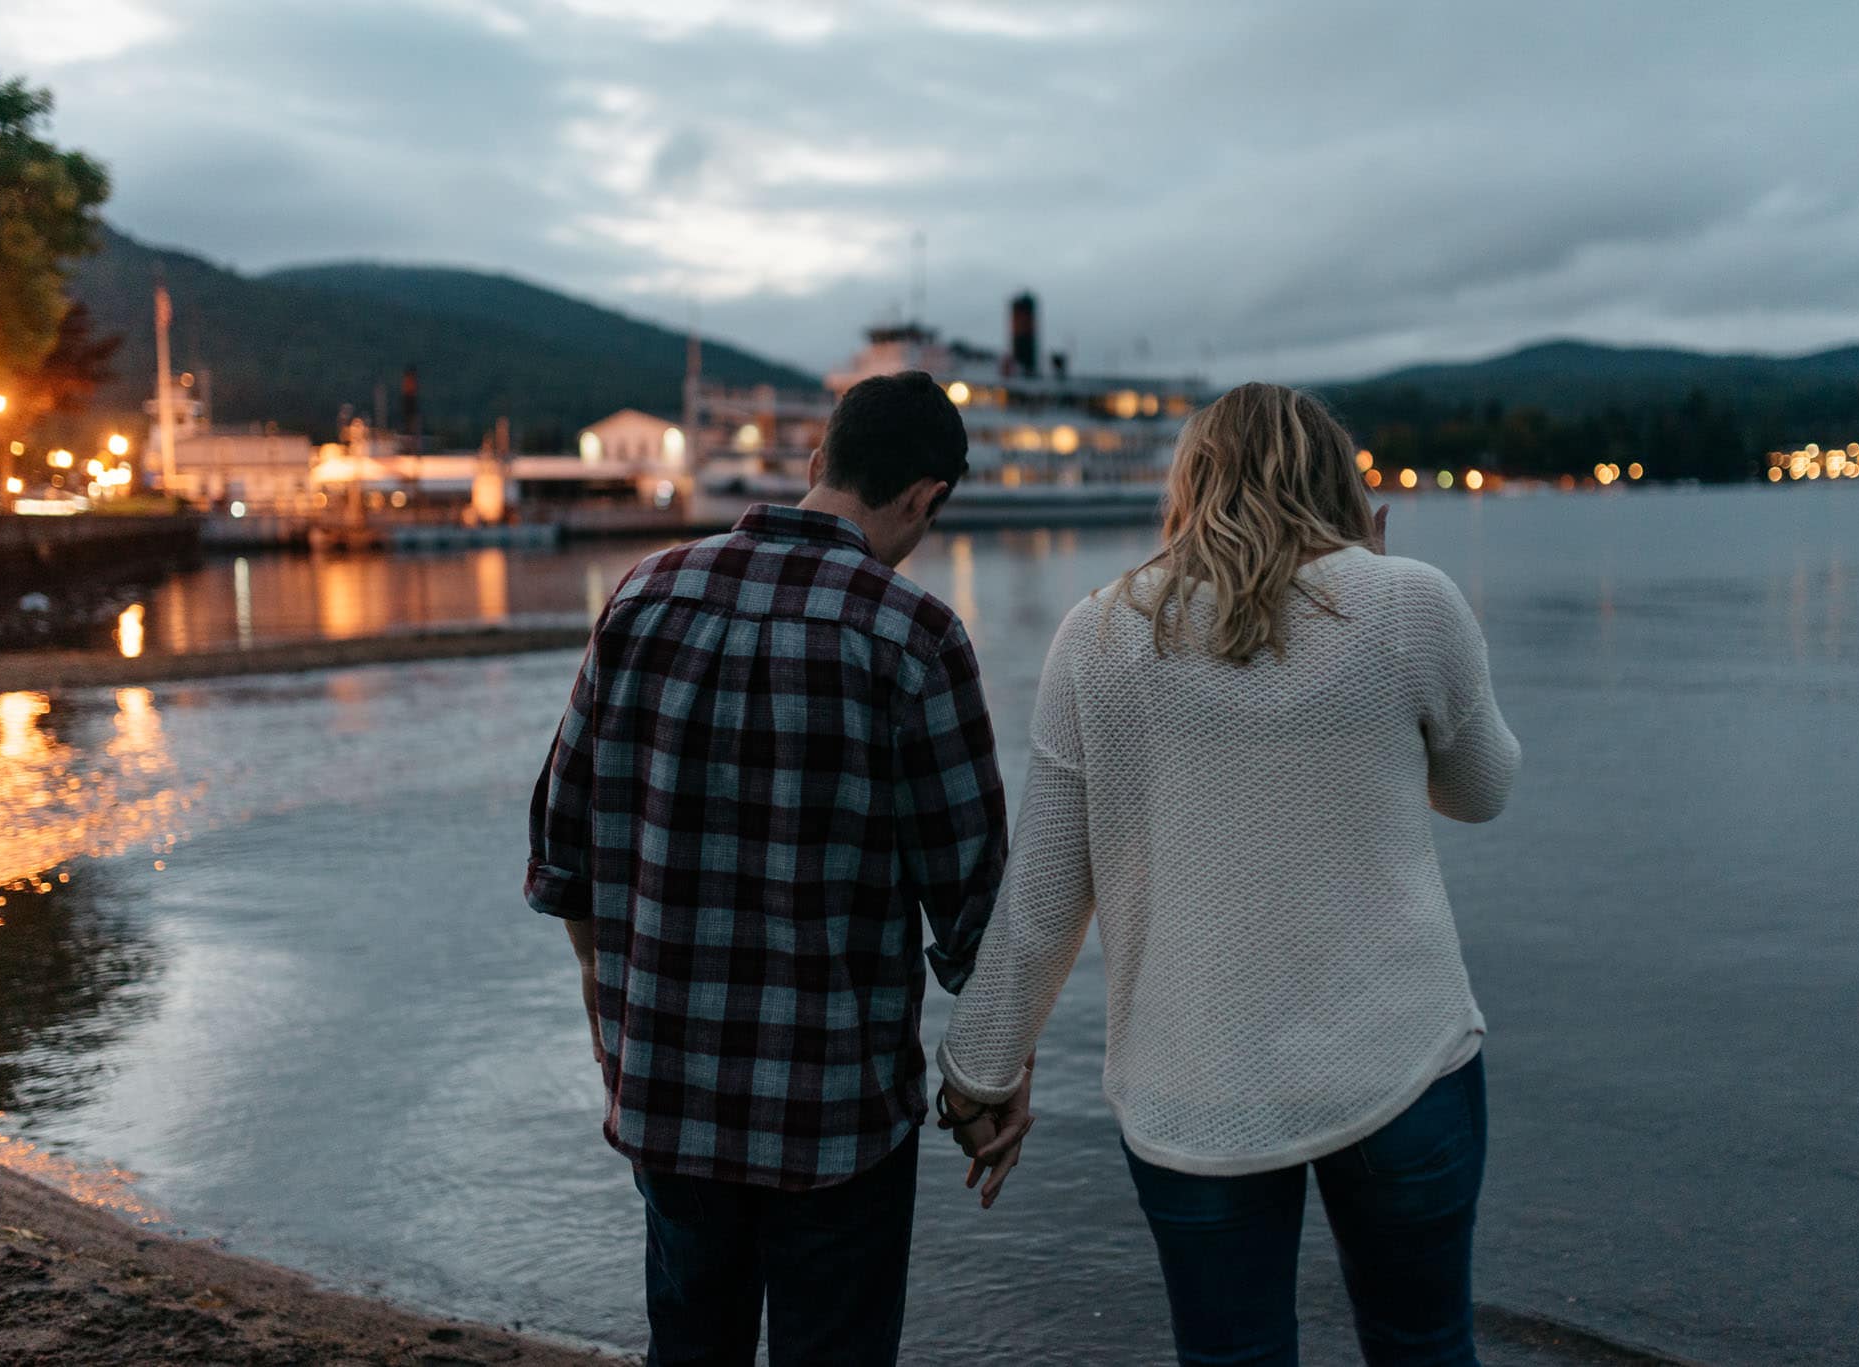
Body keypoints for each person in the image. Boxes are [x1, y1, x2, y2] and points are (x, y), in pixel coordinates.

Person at [937, 382, 1521, 1366]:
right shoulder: (1408, 601)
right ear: (1337, 483)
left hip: (1192, 1082)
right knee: (1423, 1347)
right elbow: (1482, 790)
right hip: (1400, 1060)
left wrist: (977, 1074)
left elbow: (1042, 897)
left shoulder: (1097, 633)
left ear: (1189, 483)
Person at [524, 369, 1027, 1366]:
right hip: (832, 1119)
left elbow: (562, 842)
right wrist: (992, 1076)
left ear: (815, 463)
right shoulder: (915, 638)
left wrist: (602, 995)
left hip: (664, 1090)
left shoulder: (642, 594)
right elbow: (975, 909)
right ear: (926, 497)